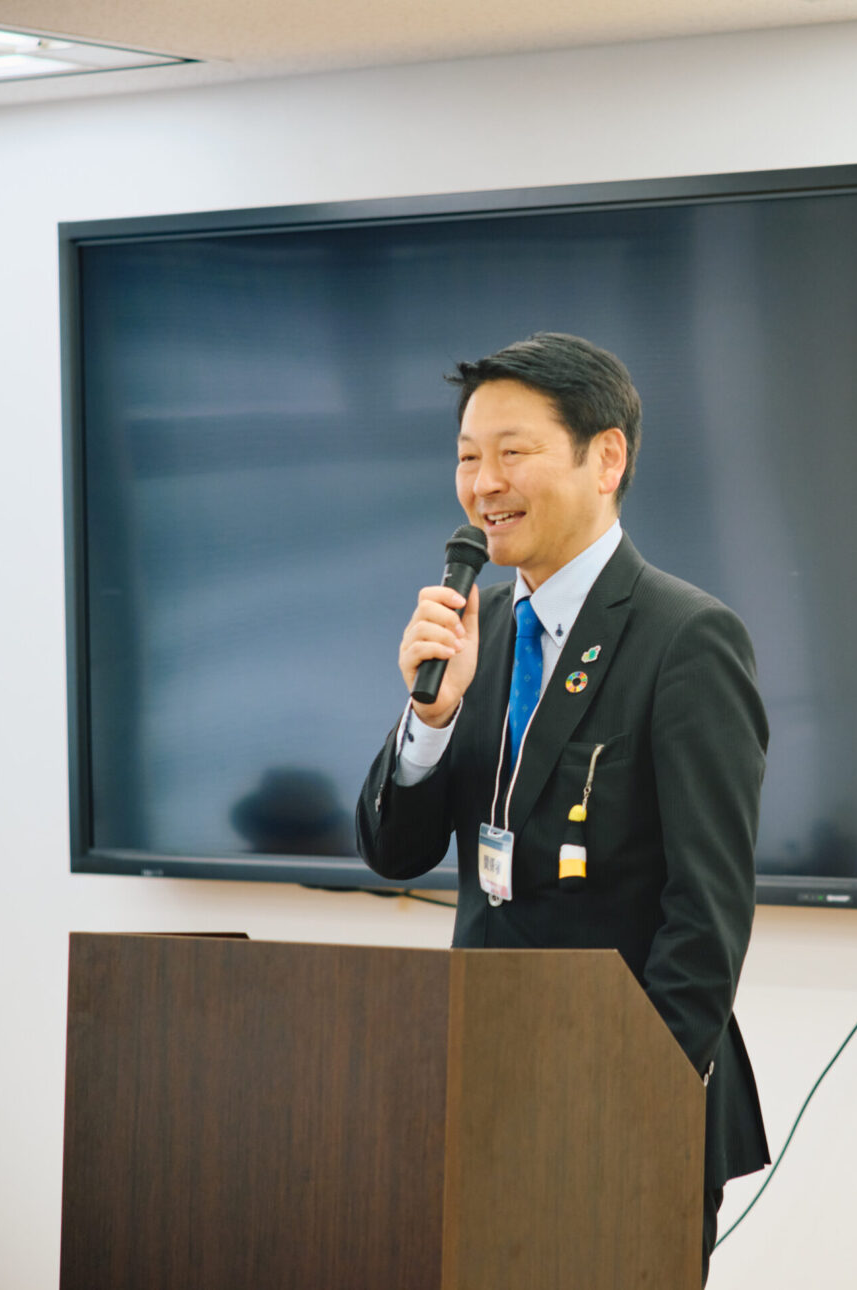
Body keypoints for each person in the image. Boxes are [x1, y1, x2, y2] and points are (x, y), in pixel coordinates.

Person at [355, 332, 770, 1285]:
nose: (483, 484)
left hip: (621, 1108)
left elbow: (707, 917)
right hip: (479, 1093)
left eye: (513, 452)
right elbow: (394, 852)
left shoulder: (686, 638)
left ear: (606, 458)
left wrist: (630, 1100)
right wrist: (431, 716)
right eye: (468, 457)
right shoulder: (481, 632)